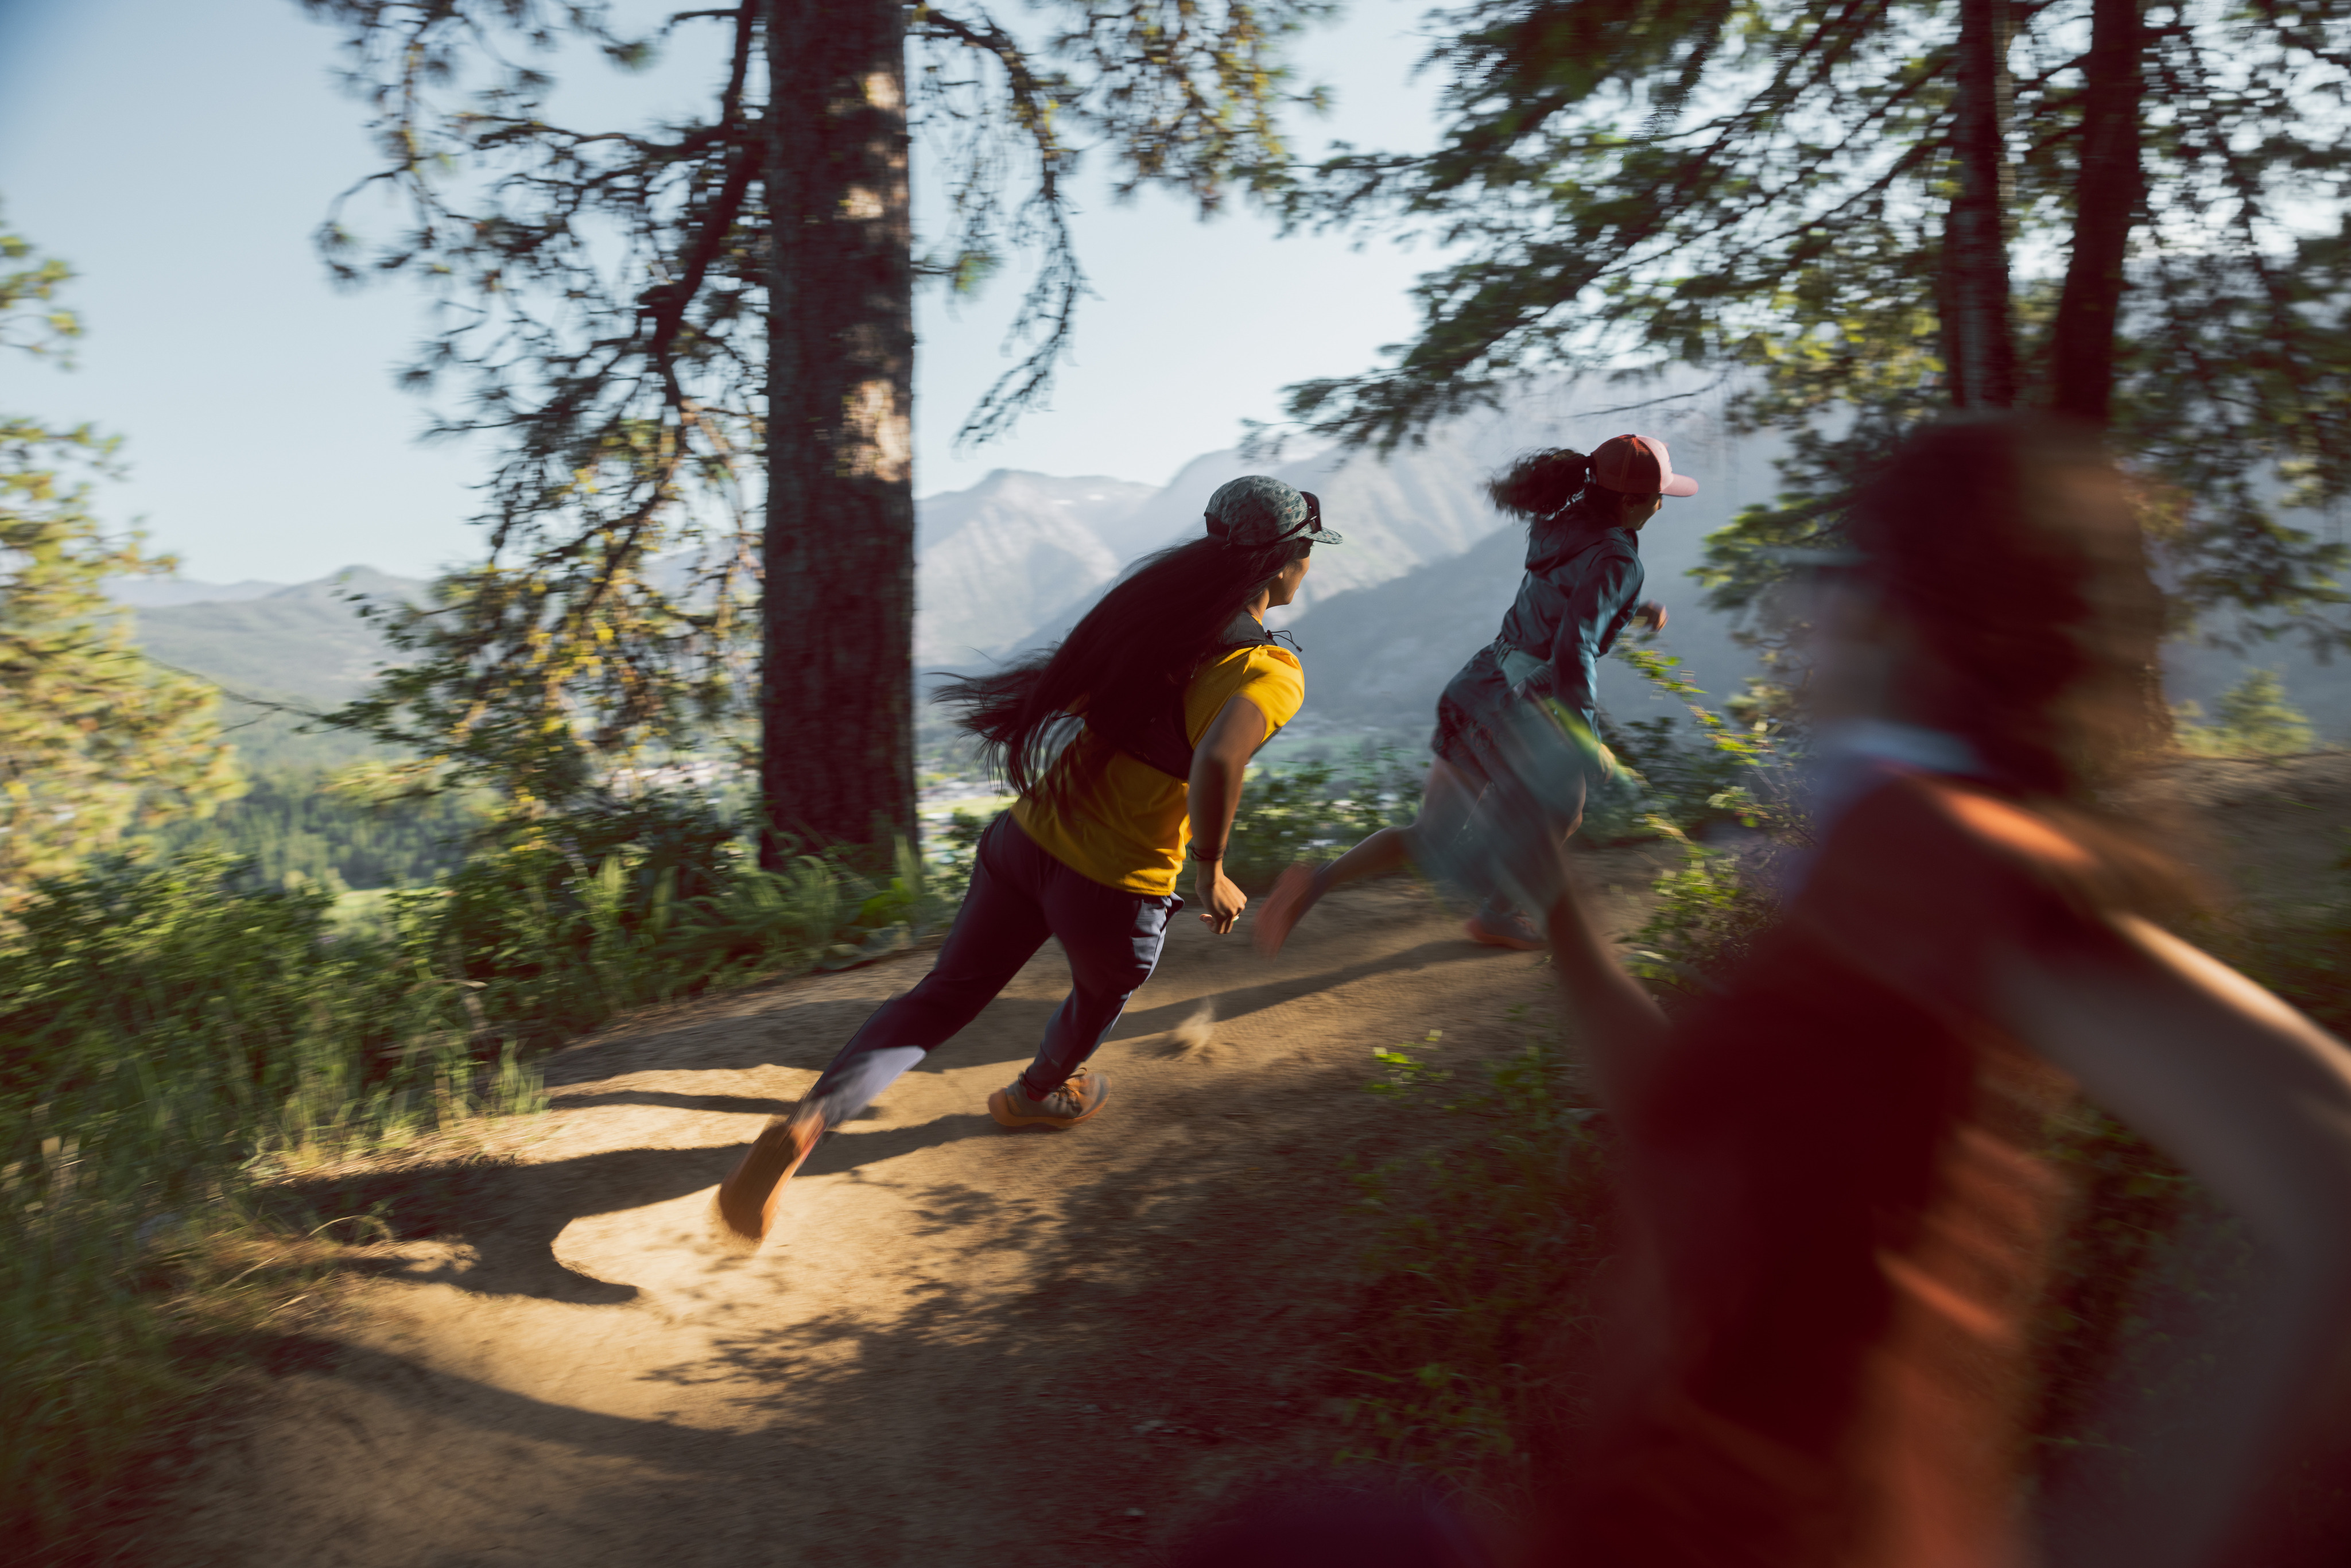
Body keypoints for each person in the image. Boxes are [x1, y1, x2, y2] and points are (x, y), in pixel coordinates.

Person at [1508, 416, 2351, 1567]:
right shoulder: (1885, 853)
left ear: (1901, 612)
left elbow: (2327, 1153)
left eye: (1835, 568)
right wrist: (1554, 902)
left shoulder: (1930, 845)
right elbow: (1685, 1131)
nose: (1806, 607)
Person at [713, 476, 1340, 1243]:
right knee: (1099, 994)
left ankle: (813, 1118)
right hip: (1116, 883)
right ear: (1287, 564)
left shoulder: (1157, 621)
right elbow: (1216, 761)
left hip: (1026, 840)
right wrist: (1209, 869)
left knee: (942, 997)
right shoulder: (1268, 669)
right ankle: (1038, 1092)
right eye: (1308, 554)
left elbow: (1075, 696)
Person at [1251, 433, 1688, 957]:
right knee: (1564, 810)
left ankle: (1314, 882)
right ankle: (1499, 911)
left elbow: (1563, 600)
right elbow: (1575, 646)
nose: (1663, 504)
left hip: (1479, 684)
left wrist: (1632, 607)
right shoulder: (1618, 558)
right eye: (1658, 495)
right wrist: (1583, 734)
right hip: (1525, 703)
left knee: (1432, 832)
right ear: (1631, 500)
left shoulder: (1562, 525)